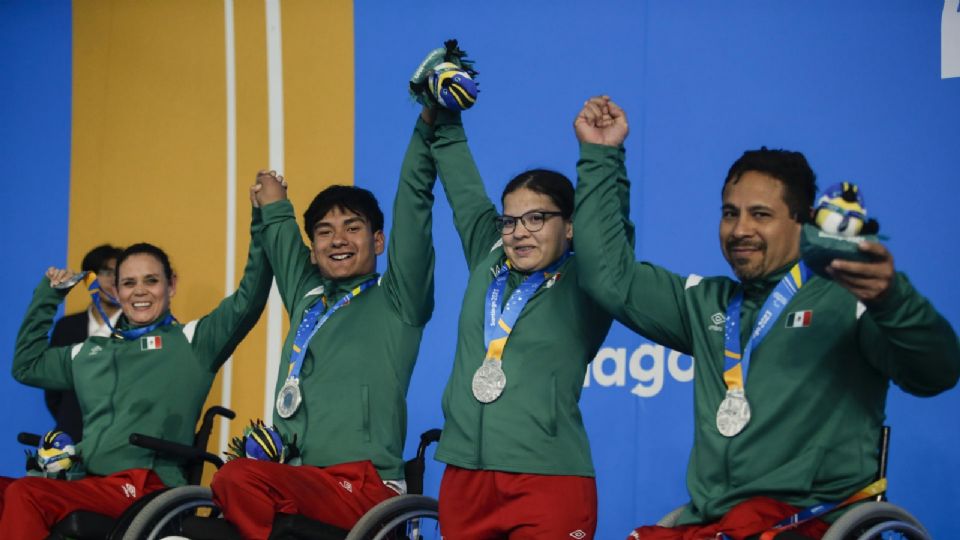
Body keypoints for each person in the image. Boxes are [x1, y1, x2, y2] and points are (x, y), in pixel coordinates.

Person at [571, 96, 960, 539]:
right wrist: (602, 156)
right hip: (718, 524)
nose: (740, 230)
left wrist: (892, 301)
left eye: (761, 215)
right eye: (729, 214)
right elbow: (608, 278)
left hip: (810, 519)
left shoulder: (848, 299)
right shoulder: (708, 304)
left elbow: (937, 373)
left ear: (804, 222)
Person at [209, 115, 437, 538]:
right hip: (301, 479)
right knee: (230, 489)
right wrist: (270, 204)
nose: (338, 240)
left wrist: (425, 132)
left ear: (379, 241)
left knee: (238, 479)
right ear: (313, 250)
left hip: (367, 487)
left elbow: (414, 210)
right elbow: (279, 236)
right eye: (325, 232)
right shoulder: (308, 298)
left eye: (353, 228)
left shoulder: (399, 299)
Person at [423, 93, 631, 539]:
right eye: (510, 220)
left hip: (548, 479)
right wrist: (444, 113)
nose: (519, 233)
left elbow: (614, 229)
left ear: (571, 225)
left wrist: (605, 155)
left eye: (537, 218)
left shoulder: (590, 280)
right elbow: (462, 187)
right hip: (465, 476)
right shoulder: (490, 256)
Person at [1, 197, 273, 537]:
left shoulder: (193, 342)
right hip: (87, 480)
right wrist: (49, 296)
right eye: (129, 283)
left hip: (145, 486)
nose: (139, 291)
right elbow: (26, 365)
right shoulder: (91, 350)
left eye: (151, 281)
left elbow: (248, 300)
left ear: (171, 284)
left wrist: (262, 218)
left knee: (27, 494)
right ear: (115, 290)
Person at [45, 243, 124, 442]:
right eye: (107, 272)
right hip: (71, 436)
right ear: (88, 278)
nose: (115, 280)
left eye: (121, 273)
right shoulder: (66, 327)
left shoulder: (137, 329)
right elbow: (53, 388)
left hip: (119, 440)